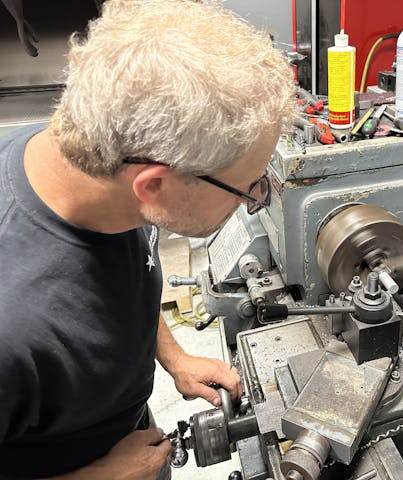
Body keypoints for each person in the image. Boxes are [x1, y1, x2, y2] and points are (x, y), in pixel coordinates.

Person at [0, 0, 294, 478]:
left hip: (119, 433)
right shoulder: (12, 327)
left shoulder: (97, 156)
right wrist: (105, 475)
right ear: (154, 187)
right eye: (247, 187)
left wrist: (174, 357)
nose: (252, 199)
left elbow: (130, 272)